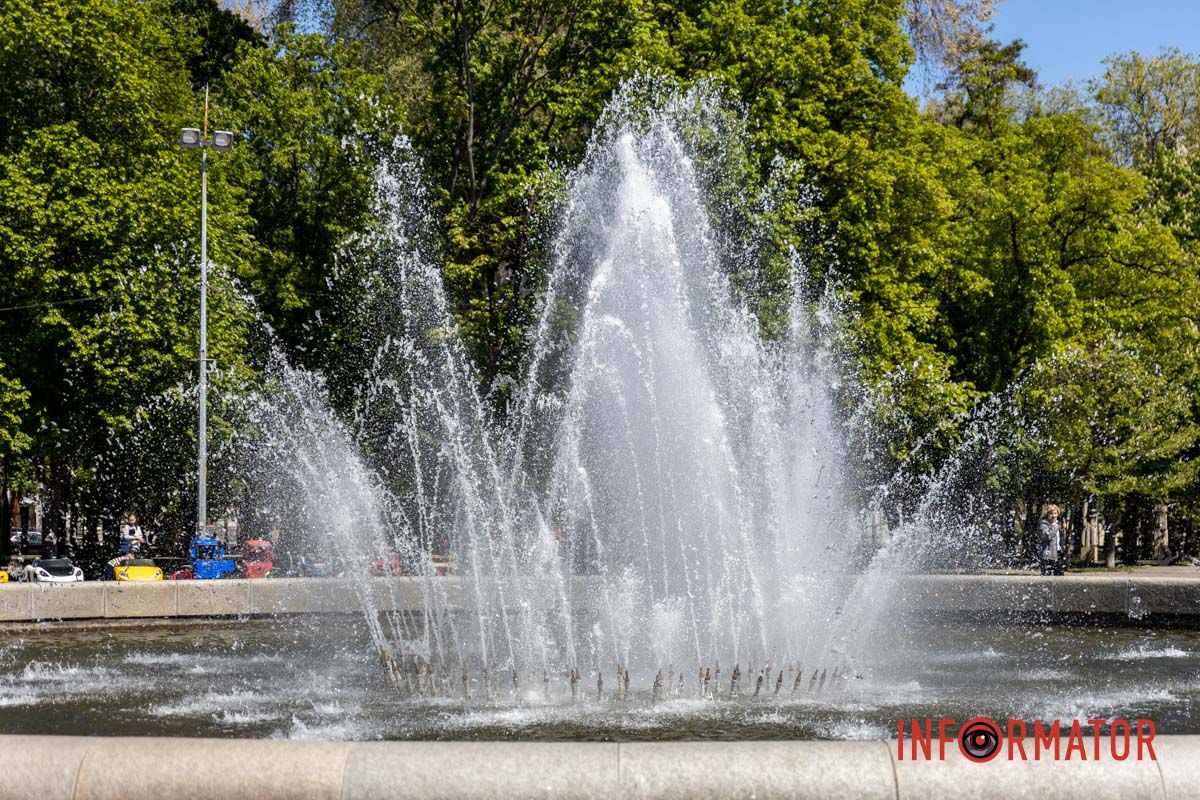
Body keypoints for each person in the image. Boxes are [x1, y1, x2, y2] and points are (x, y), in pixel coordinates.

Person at [1038, 504, 1064, 576]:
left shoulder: (1057, 524)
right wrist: (1054, 526)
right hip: (1047, 555)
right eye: (1051, 513)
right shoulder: (1043, 524)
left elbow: (1060, 539)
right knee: (1047, 577)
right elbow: (1048, 537)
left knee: (1060, 576)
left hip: (1058, 553)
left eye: (1055, 513)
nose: (1053, 516)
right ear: (1047, 514)